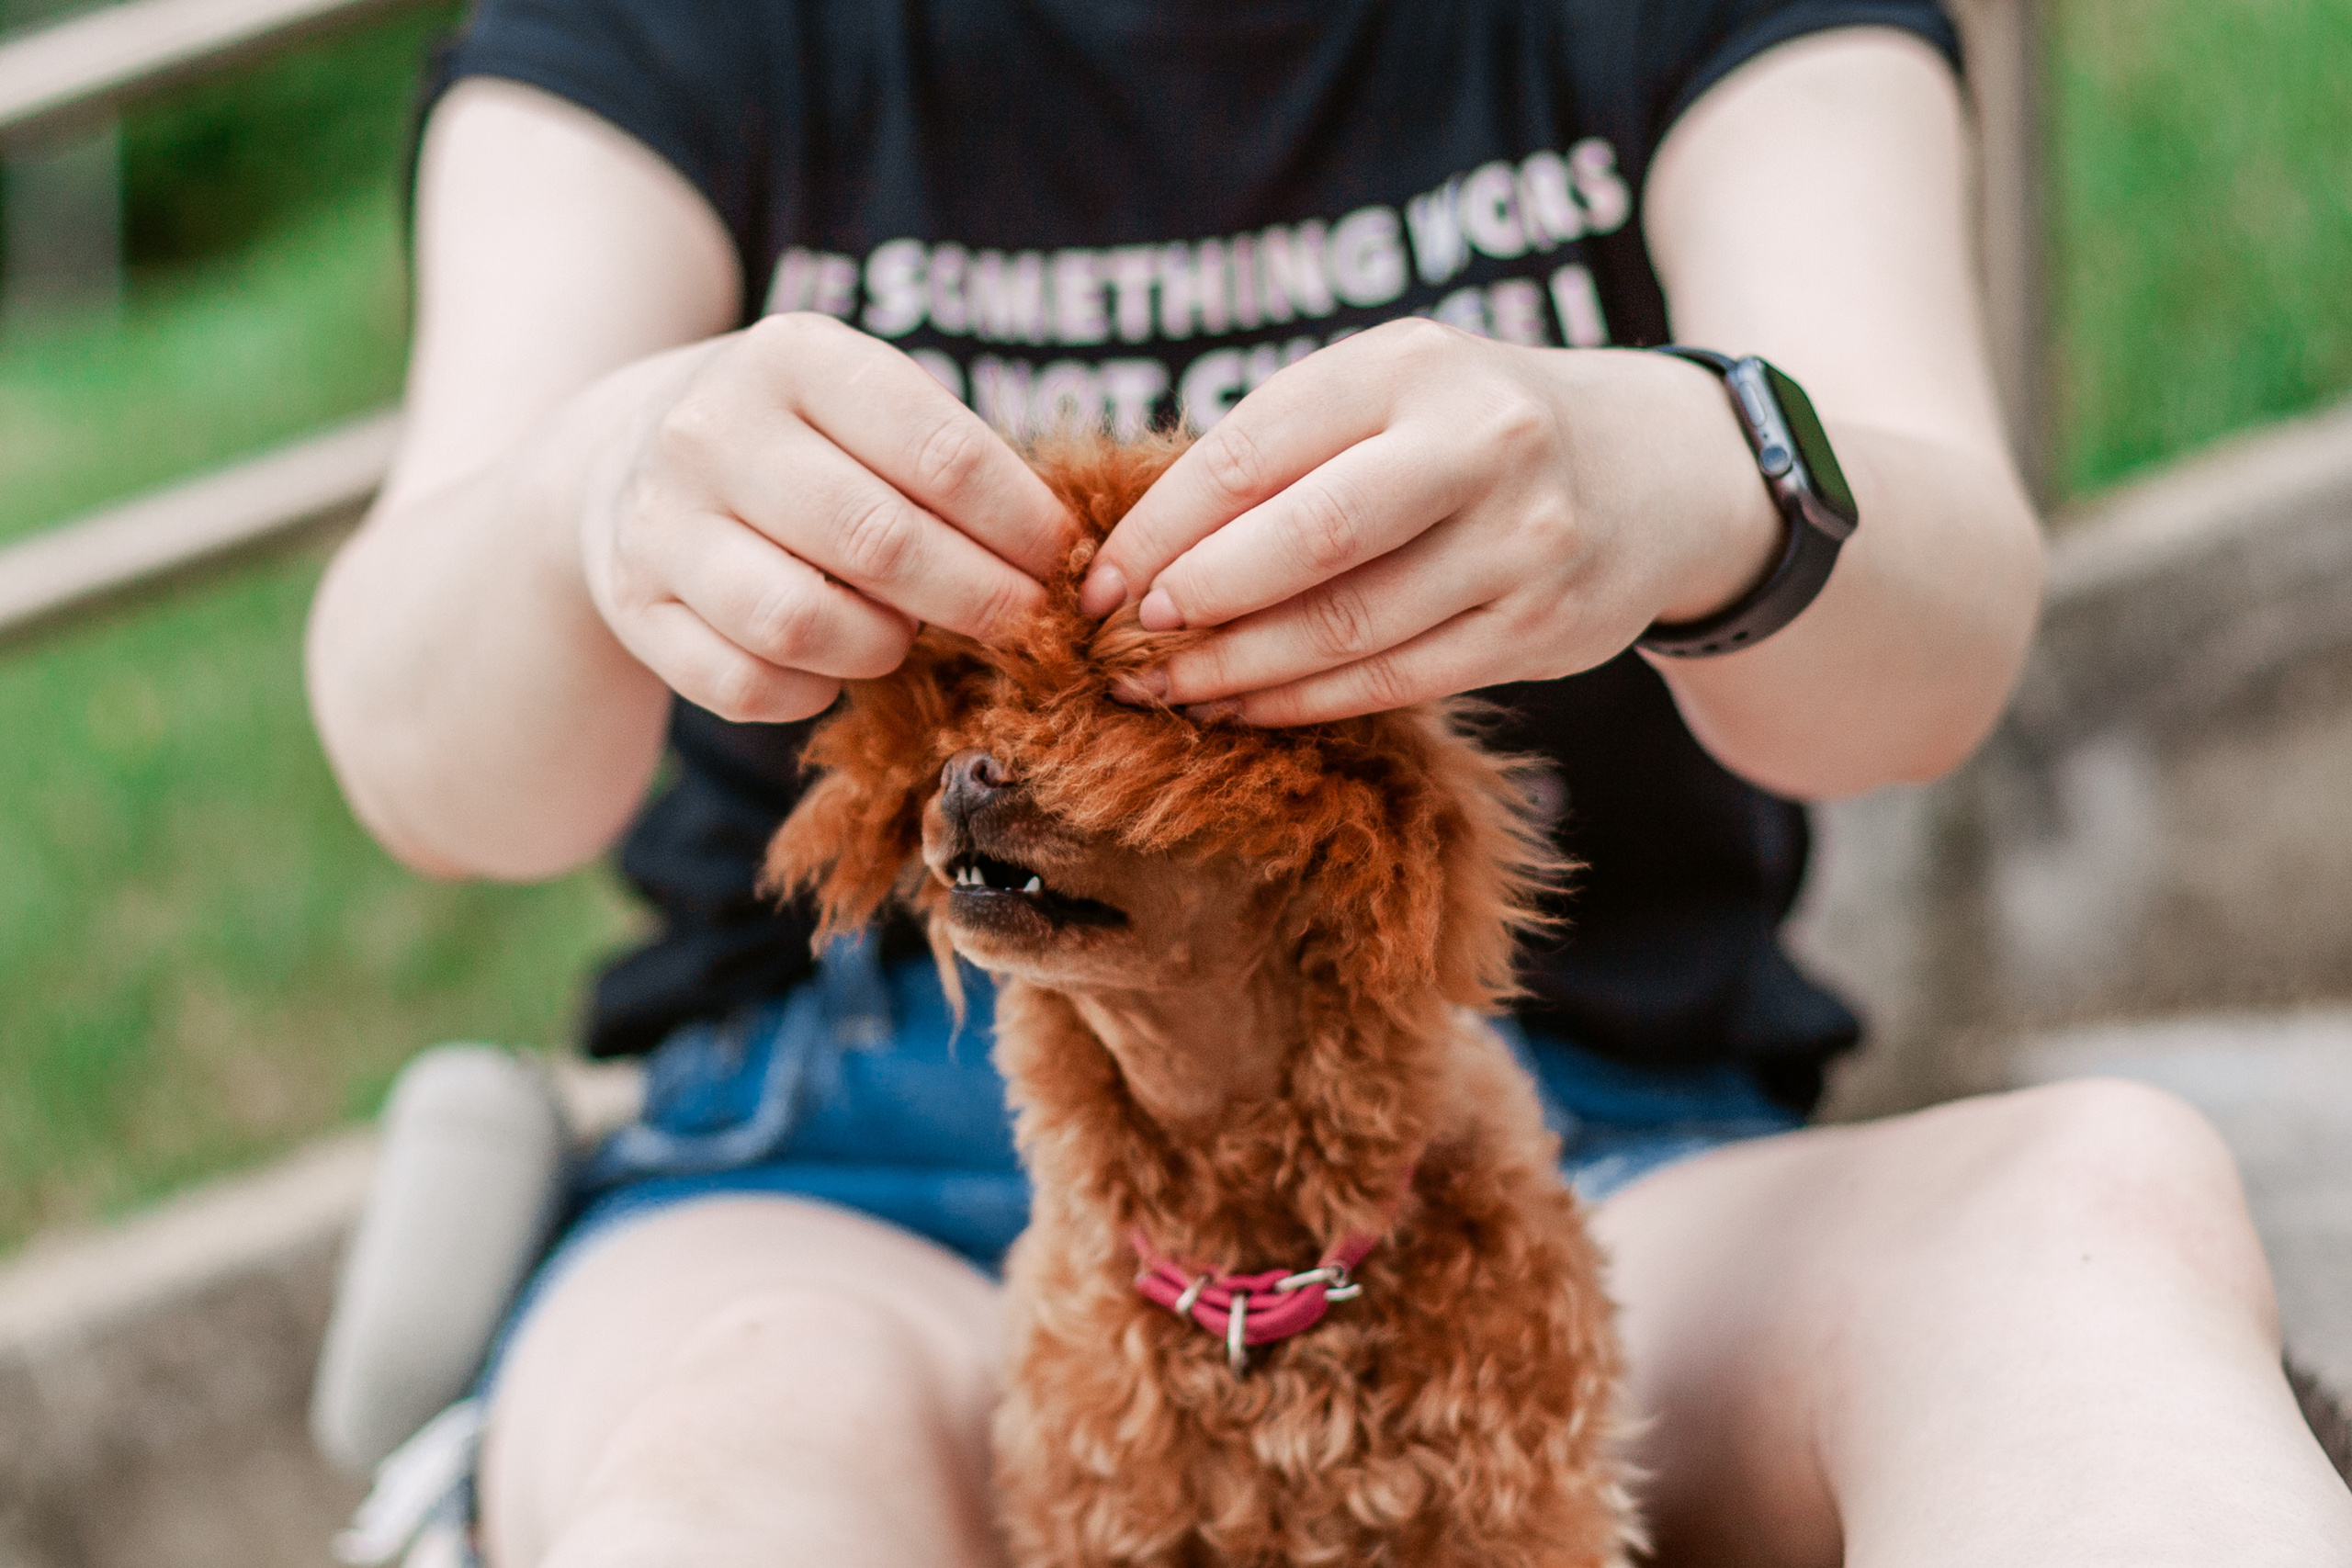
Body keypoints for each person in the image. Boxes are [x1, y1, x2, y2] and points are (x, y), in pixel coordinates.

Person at [304, 0, 2352, 1562]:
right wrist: (589, 486)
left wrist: (1684, 469)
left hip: (1569, 1139)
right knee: (742, 1459)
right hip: (836, 1174)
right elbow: (441, 768)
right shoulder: (677, 35)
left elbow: (1934, 645)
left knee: (2082, 1221)